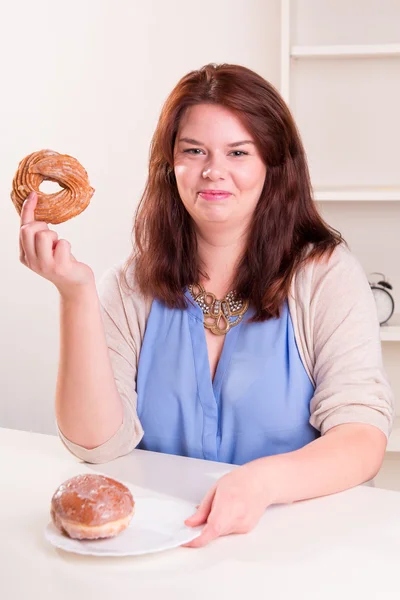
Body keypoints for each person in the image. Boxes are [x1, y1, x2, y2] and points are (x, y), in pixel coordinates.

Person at [19, 63, 394, 548]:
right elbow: (96, 445)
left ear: (273, 165)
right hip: (161, 546)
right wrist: (74, 295)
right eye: (193, 151)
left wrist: (261, 482)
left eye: (238, 152)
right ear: (169, 164)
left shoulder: (324, 275)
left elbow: (362, 438)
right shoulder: (130, 284)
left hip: (295, 549)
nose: (213, 171)